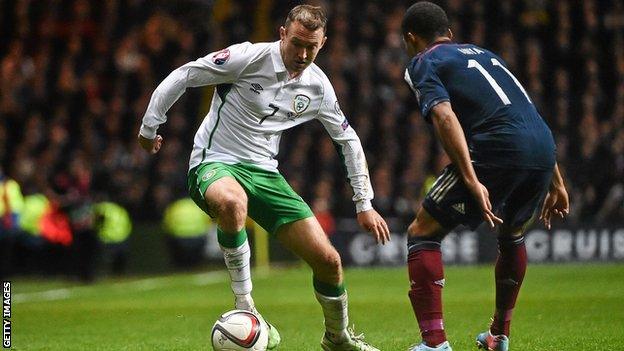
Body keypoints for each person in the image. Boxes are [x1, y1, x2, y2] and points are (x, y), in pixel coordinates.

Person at [137, 5, 390, 351]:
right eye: (296, 43)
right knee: (231, 201)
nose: (302, 54)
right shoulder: (247, 58)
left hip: (265, 174)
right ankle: (245, 306)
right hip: (215, 162)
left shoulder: (318, 87)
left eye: (311, 47)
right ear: (282, 33)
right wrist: (150, 126)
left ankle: (338, 338)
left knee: (329, 262)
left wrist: (364, 203)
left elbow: (348, 140)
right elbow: (185, 74)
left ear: (324, 44)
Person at [400, 3, 569, 351]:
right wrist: (558, 180)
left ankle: (434, 343)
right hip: (541, 146)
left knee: (422, 232)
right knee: (512, 233)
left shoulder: (424, 61)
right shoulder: (487, 55)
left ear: (411, 39)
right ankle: (499, 336)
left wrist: (472, 178)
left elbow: (444, 116)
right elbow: (526, 110)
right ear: (448, 32)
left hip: (498, 149)